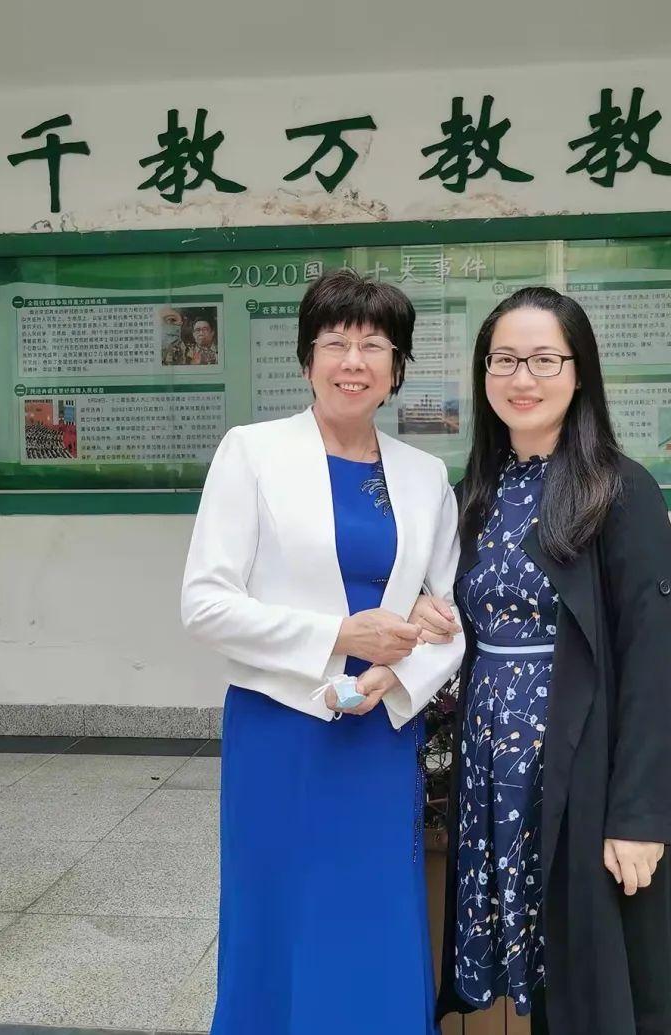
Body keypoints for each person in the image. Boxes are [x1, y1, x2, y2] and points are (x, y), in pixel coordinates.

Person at [181, 269, 465, 1035]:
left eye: (374, 345)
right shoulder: (252, 453)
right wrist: (339, 636)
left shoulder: (424, 476)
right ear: (307, 358)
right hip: (280, 732)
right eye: (335, 342)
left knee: (375, 916)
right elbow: (204, 603)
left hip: (380, 732)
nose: (353, 361)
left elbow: (451, 617)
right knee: (276, 915)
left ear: (397, 367)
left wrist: (392, 672)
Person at [412, 287, 671, 1035]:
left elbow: (648, 661)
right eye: (504, 359)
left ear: (579, 372)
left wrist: (638, 816)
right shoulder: (474, 494)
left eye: (545, 359)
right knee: (544, 980)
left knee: (595, 991)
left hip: (585, 772)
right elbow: (448, 620)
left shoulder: (621, 492)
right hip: (496, 772)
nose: (523, 378)